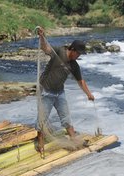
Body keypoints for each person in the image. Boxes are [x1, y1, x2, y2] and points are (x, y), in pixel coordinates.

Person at [35, 26, 95, 155]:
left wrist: (89, 94)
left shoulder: (74, 64)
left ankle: (74, 139)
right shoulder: (59, 52)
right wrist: (42, 36)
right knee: (43, 117)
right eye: (78, 53)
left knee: (66, 116)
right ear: (72, 49)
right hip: (46, 90)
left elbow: (81, 81)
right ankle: (40, 140)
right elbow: (45, 48)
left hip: (59, 92)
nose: (78, 56)